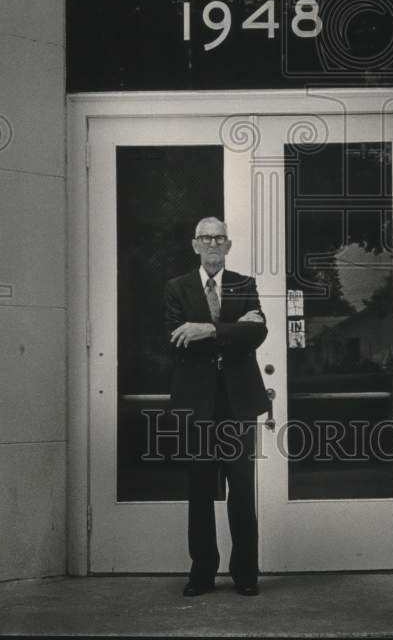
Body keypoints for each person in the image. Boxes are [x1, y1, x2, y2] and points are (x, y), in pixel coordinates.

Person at [165, 216, 269, 597]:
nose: (212, 244)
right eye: (205, 238)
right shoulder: (177, 288)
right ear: (195, 245)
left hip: (237, 404)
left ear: (228, 245)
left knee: (242, 490)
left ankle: (246, 575)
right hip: (197, 405)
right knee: (200, 490)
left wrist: (207, 329)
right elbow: (176, 341)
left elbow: (258, 332)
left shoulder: (244, 284)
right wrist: (232, 330)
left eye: (219, 238)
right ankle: (202, 573)